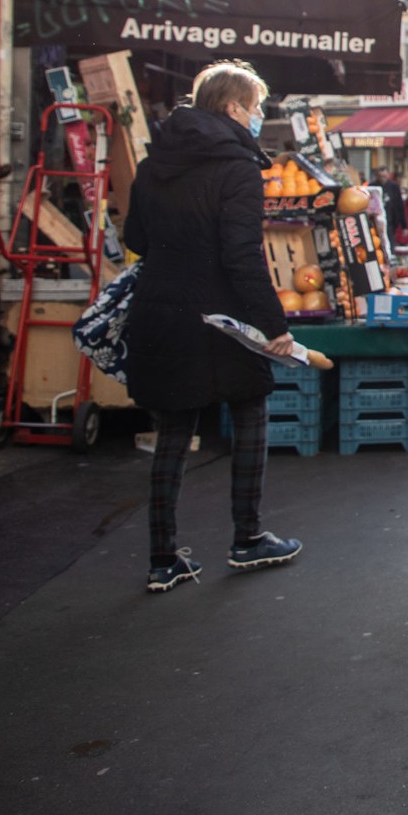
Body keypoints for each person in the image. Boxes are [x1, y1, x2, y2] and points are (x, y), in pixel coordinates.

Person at [124, 60, 303, 594]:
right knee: (250, 414)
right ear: (233, 108)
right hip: (222, 317)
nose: (258, 117)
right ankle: (247, 538)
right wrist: (274, 326)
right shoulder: (238, 168)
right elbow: (243, 256)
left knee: (173, 434)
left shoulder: (155, 163)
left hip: (160, 308)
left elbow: (136, 235)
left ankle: (162, 558)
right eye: (256, 108)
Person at [379, 168, 408, 251]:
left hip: (391, 221)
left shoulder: (394, 187)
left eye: (384, 176)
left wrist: (404, 226)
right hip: (377, 221)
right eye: (381, 176)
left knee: (389, 244)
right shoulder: (373, 185)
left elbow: (400, 207)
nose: (383, 178)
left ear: (388, 176)